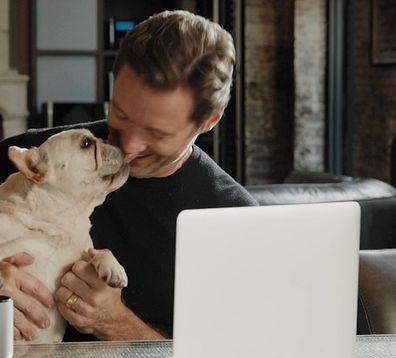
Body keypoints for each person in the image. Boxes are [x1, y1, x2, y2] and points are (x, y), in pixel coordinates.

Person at [0, 10, 257, 342]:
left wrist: (117, 324)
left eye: (156, 133)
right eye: (120, 114)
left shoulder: (233, 219)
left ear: (209, 121)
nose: (129, 146)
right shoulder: (32, 159)